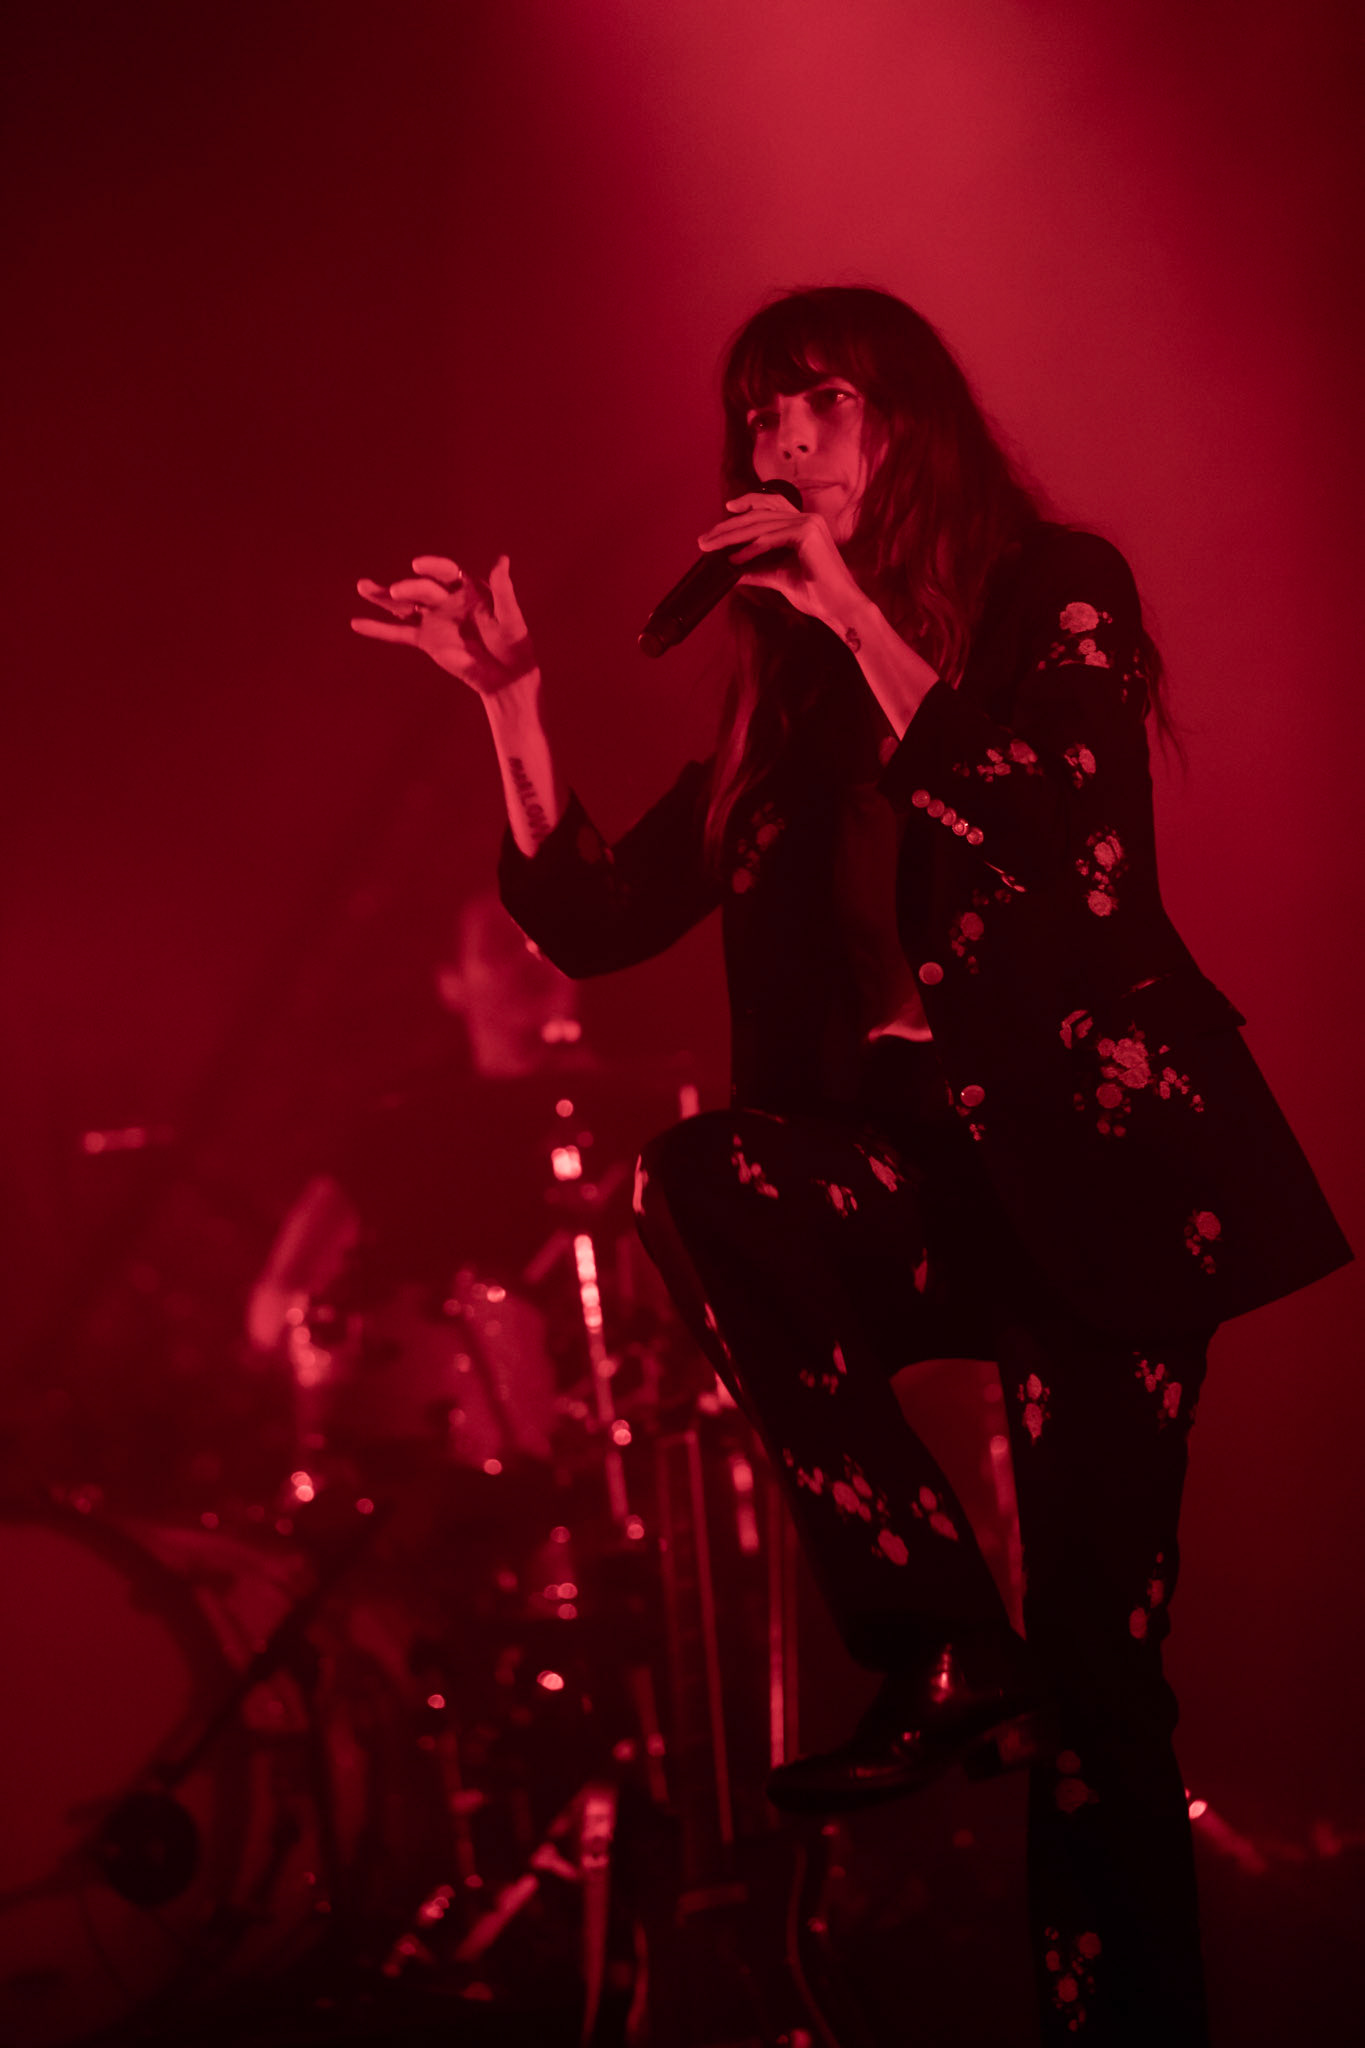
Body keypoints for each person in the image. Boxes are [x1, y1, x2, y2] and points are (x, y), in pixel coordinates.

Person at [351, 285, 1350, 2047]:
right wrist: (509, 705)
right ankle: (934, 1629)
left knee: (1104, 1684)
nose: (775, 444)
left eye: (812, 403)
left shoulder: (1056, 594)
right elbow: (591, 918)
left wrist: (862, 617)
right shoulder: (787, 702)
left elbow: (1058, 833)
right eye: (754, 416)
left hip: (1095, 1177)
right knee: (702, 1176)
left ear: (908, 424)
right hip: (904, 1178)